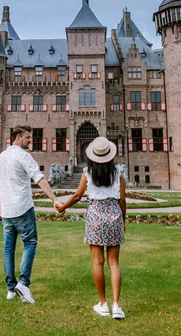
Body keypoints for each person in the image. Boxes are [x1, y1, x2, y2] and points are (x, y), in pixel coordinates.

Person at [55, 136, 126, 319]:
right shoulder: (118, 172)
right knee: (114, 263)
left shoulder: (88, 172)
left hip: (95, 215)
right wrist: (123, 221)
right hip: (114, 215)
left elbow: (78, 196)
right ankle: (116, 306)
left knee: (97, 263)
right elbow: (123, 200)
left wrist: (62, 207)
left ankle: (103, 304)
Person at [0, 125, 60, 304]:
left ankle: (10, 289)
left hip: (7, 211)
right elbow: (39, 179)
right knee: (30, 243)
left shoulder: (0, 158)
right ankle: (23, 283)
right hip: (23, 208)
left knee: (8, 249)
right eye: (28, 138)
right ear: (18, 138)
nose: (31, 140)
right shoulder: (23, 156)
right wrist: (54, 199)